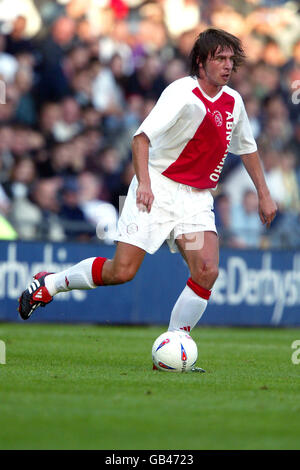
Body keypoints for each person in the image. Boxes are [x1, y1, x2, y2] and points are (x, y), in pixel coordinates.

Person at [18, 28, 277, 369]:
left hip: (196, 198)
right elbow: (140, 139)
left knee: (208, 269)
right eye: (220, 59)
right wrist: (143, 184)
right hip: (157, 189)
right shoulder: (181, 94)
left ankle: (174, 345)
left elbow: (247, 148)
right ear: (201, 62)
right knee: (121, 271)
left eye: (231, 60)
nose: (228, 66)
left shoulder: (234, 102)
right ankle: (49, 283)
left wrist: (263, 193)